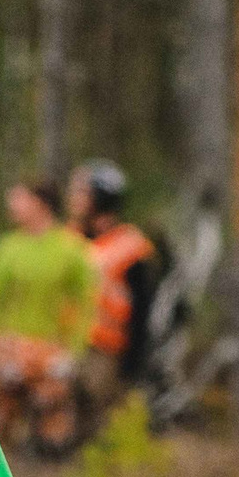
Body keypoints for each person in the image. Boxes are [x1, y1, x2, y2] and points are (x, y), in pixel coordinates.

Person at [0, 179, 96, 454]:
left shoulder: (70, 249)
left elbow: (86, 303)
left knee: (54, 421)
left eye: (19, 199)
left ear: (40, 204)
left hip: (49, 350)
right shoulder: (6, 248)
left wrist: (71, 351)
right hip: (10, 348)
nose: (11, 206)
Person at [68, 158, 162, 408]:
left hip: (106, 352)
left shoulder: (131, 246)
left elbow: (142, 310)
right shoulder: (67, 239)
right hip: (65, 344)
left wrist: (133, 365)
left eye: (82, 192)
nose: (74, 199)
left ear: (100, 199)